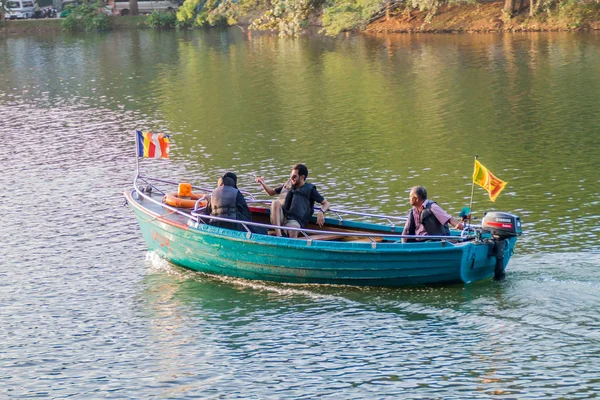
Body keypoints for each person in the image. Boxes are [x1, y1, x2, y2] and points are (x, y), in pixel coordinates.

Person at [257, 163, 330, 238]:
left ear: (302, 177)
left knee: (293, 229)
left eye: (294, 176)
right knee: (275, 203)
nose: (292, 178)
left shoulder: (310, 189)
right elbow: (271, 192)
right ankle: (279, 236)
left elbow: (326, 203)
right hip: (281, 217)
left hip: (295, 220)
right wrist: (262, 183)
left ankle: (292, 246)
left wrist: (321, 212)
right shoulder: (288, 184)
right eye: (291, 176)